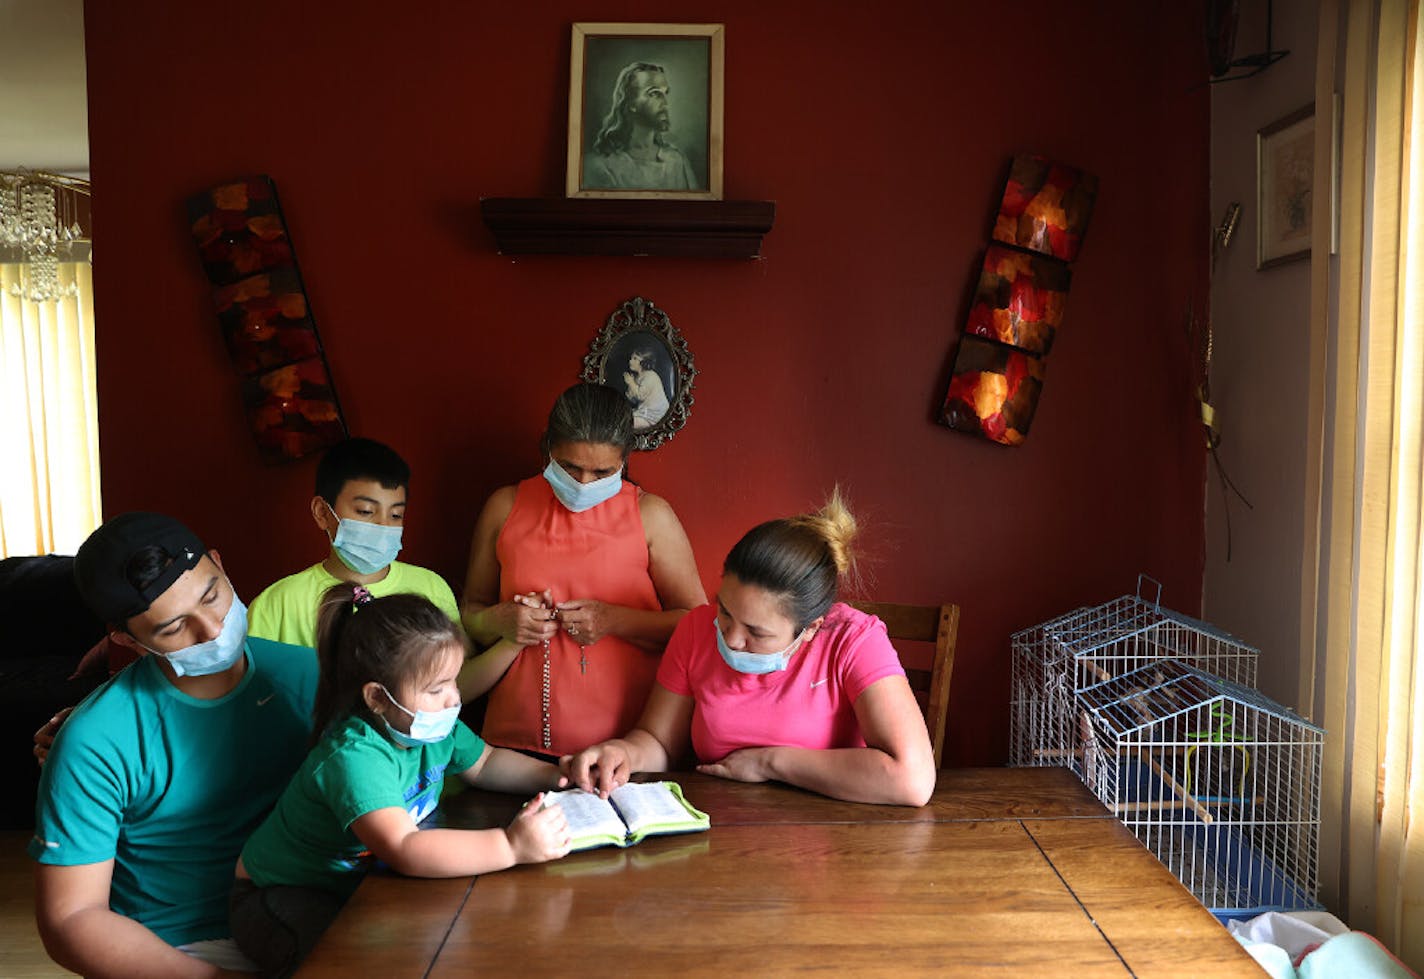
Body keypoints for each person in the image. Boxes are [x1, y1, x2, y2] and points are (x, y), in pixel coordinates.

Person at [30, 511, 318, 977]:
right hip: (183, 948)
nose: (211, 629)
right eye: (173, 628)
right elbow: (71, 919)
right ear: (128, 640)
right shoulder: (94, 741)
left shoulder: (311, 675)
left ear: (220, 565)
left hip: (312, 910)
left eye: (212, 595)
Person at [230, 584, 571, 977]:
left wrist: (557, 773)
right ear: (377, 697)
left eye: (454, 681)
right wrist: (511, 846)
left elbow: (487, 763)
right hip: (278, 897)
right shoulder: (355, 756)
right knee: (352, 964)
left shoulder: (432, 729)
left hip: (361, 884)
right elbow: (404, 847)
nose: (453, 700)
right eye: (436, 688)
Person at [564, 490, 937, 807]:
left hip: (837, 832)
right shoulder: (696, 629)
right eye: (725, 612)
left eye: (756, 633)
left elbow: (912, 779)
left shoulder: (853, 640)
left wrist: (769, 764)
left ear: (810, 629)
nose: (730, 638)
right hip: (724, 827)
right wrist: (623, 754)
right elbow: (659, 741)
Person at [460, 383, 705, 758]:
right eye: (570, 467)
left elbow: (697, 625)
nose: (583, 483)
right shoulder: (504, 506)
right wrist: (501, 621)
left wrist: (615, 620)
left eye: (602, 471)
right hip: (509, 749)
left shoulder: (652, 515)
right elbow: (469, 615)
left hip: (624, 749)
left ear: (624, 459)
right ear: (547, 450)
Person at [248, 437, 462, 647]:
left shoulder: (430, 587)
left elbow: (460, 676)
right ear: (322, 512)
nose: (383, 525)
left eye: (396, 515)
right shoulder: (276, 605)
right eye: (366, 511)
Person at [583, 61, 700, 191]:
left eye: (665, 93)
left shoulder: (676, 161)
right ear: (631, 103)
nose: (665, 103)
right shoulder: (600, 165)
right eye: (654, 93)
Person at [623, 346, 670, 430]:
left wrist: (631, 383)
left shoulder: (650, 376)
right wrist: (630, 386)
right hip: (645, 411)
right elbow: (634, 400)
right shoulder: (638, 377)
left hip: (654, 415)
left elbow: (641, 396)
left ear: (644, 362)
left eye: (635, 358)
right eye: (631, 358)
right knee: (622, 418)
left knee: (625, 423)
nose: (630, 361)